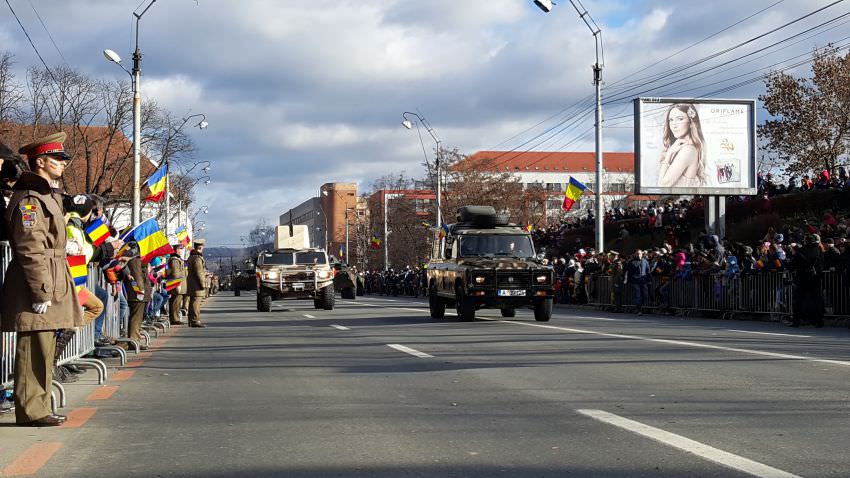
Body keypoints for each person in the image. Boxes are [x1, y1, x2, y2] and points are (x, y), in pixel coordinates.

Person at [1, 132, 84, 426]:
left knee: (44, 346)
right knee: (33, 348)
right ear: (41, 162)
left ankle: (38, 406)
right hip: (37, 281)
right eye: (57, 159)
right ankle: (32, 410)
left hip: (51, 275)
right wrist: (41, 291)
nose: (63, 163)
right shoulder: (30, 200)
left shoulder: (45, 195)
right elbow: (30, 247)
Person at [657, 103, 708, 188]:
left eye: (680, 119)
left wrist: (669, 154)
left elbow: (662, 185)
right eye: (671, 120)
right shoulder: (682, 147)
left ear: (691, 123)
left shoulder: (688, 150)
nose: (674, 125)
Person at [790, 234, 824, 327]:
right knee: (816, 299)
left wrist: (790, 268)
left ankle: (796, 321)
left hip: (802, 277)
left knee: (798, 300)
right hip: (815, 277)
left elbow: (793, 264)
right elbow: (821, 263)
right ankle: (819, 321)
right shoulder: (818, 250)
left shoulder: (801, 251)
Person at [121, 241, 150, 349]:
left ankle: (135, 339)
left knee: (137, 316)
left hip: (139, 287)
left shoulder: (135, 255)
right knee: (136, 316)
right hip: (137, 288)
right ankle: (134, 340)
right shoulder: (132, 255)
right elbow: (123, 266)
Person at [187, 238, 208, 327]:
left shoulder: (192, 256)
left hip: (193, 283)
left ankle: (191, 320)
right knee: (196, 302)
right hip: (196, 284)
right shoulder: (197, 258)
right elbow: (199, 272)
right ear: (201, 247)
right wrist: (203, 284)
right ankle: (195, 320)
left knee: (193, 302)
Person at [166, 243, 187, 325]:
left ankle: (175, 318)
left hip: (179, 284)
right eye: (180, 249)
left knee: (177, 302)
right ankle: (174, 319)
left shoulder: (178, 259)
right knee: (175, 302)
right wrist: (177, 285)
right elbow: (175, 273)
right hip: (176, 284)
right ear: (176, 250)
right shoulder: (174, 260)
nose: (181, 251)